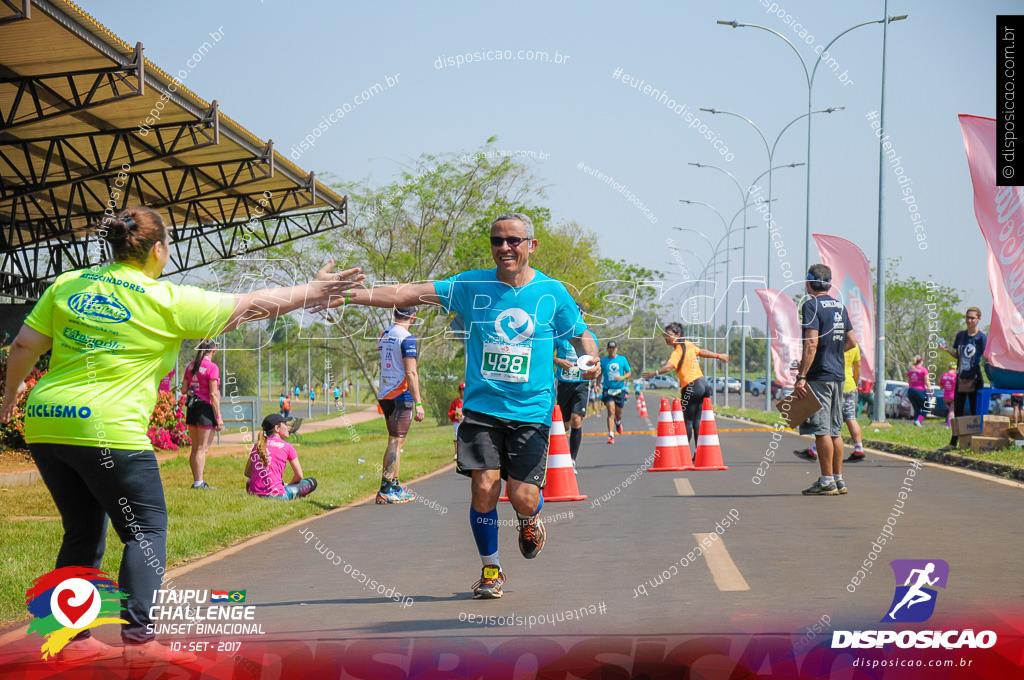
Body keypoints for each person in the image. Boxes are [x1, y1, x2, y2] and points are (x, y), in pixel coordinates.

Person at [0, 206, 361, 665]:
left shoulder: (69, 284)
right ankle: (139, 639)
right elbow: (250, 304)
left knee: (82, 529)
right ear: (158, 250)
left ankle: (71, 640)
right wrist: (309, 292)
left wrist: (11, 396)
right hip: (107, 428)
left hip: (48, 421)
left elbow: (24, 345)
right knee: (145, 529)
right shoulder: (167, 299)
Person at [342, 212, 599, 599]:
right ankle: (491, 570)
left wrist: (591, 359)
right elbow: (406, 294)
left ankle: (530, 520)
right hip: (482, 409)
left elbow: (581, 335)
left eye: (513, 240)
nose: (505, 248)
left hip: (530, 411)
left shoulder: (553, 293)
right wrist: (345, 295)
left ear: (531, 245)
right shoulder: (470, 284)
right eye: (497, 241)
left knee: (521, 497)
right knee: (484, 488)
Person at [792, 264, 858, 496]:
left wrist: (801, 376)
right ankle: (839, 480)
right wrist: (834, 354)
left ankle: (826, 481)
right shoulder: (840, 306)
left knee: (821, 430)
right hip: (839, 376)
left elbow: (811, 343)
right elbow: (851, 341)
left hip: (819, 377)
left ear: (809, 283)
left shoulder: (811, 305)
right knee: (835, 430)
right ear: (828, 284)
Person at [642, 322, 728, 453]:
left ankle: (684, 453)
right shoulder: (688, 344)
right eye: (664, 335)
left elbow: (669, 366)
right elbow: (702, 352)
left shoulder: (678, 351)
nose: (666, 337)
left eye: (668, 335)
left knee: (688, 421)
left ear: (678, 335)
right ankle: (699, 453)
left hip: (691, 387)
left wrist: (655, 373)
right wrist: (719, 356)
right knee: (697, 421)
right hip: (703, 385)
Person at [375, 306, 425, 504]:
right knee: (396, 442)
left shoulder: (384, 334)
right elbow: (411, 372)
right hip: (400, 394)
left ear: (394, 314)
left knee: (396, 441)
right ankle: (385, 489)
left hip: (385, 393)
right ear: (413, 316)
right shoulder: (407, 337)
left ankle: (394, 485)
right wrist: (418, 402)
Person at [795, 341, 866, 463]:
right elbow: (858, 365)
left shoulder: (832, 344)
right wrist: (855, 383)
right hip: (849, 385)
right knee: (850, 418)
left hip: (834, 384)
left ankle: (815, 452)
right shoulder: (854, 345)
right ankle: (859, 448)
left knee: (827, 420)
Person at [940, 306, 987, 450]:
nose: (969, 320)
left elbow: (986, 356)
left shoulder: (981, 338)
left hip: (975, 378)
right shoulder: (960, 335)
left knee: (974, 411)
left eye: (972, 318)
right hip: (961, 378)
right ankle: (954, 442)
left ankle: (973, 442)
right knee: (958, 411)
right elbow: (959, 356)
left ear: (979, 319)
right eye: (967, 317)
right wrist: (948, 350)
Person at [554, 328, 599, 468]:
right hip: (564, 383)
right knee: (565, 424)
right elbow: (546, 354)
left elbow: (594, 359)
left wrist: (596, 378)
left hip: (581, 383)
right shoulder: (559, 334)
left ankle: (572, 459)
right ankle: (559, 454)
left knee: (576, 419)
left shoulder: (590, 336)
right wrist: (558, 361)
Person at [245, 414, 317, 500]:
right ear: (277, 428)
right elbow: (299, 475)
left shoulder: (258, 445)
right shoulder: (287, 447)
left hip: (255, 493)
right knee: (311, 482)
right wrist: (288, 484)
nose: (288, 427)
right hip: (277, 495)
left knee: (249, 481)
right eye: (285, 424)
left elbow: (247, 472)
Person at [182, 339, 221, 490]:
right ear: (214, 351)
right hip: (205, 409)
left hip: (192, 408)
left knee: (195, 447)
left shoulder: (191, 365)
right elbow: (213, 394)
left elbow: (184, 390)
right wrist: (219, 418)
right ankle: (199, 483)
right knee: (202, 448)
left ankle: (197, 480)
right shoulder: (212, 367)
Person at [600, 341, 632, 444]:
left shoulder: (622, 359)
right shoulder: (603, 361)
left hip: (620, 390)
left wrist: (622, 377)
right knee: (611, 412)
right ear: (607, 350)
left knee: (619, 414)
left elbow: (629, 372)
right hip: (608, 389)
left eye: (613, 349)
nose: (611, 351)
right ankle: (611, 435)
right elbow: (599, 373)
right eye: (610, 349)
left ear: (616, 349)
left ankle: (618, 422)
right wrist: (597, 384)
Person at [906, 356, 933, 427]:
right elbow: (927, 381)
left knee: (917, 409)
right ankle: (918, 421)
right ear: (921, 361)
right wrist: (930, 391)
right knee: (926, 408)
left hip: (911, 391)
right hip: (920, 391)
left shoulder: (910, 370)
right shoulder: (923, 370)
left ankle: (916, 424)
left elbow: (909, 381)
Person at [448, 382, 465, 459]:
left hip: (466, 421)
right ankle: (457, 453)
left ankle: (466, 451)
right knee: (457, 435)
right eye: (462, 390)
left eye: (465, 390)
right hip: (457, 422)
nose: (463, 391)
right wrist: (455, 412)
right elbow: (450, 411)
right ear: (459, 391)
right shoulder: (456, 401)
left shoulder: (468, 401)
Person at [939, 363, 957, 428]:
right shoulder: (955, 376)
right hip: (953, 396)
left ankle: (950, 424)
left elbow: (941, 387)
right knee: (952, 411)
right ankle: (948, 425)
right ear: (955, 368)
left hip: (946, 397)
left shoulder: (943, 375)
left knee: (950, 410)